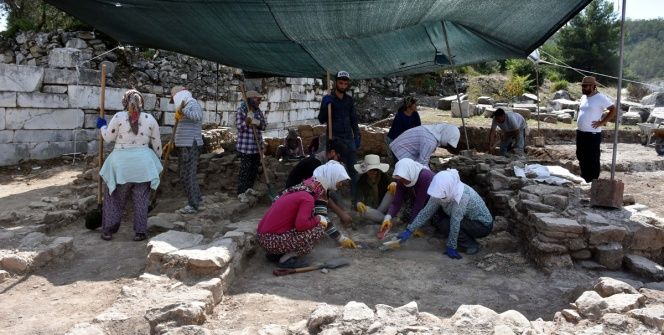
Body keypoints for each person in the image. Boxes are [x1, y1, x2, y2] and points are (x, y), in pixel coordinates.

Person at [257, 161, 355, 268]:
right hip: (271, 240)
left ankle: (275, 254)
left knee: (316, 221)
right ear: (332, 176)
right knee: (319, 227)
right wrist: (339, 237)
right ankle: (285, 259)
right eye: (340, 181)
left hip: (264, 238)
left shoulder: (306, 186)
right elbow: (302, 225)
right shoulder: (309, 197)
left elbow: (277, 201)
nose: (341, 184)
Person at [96, 89, 163, 241]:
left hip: (121, 165)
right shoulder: (150, 119)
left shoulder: (119, 117)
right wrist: (159, 159)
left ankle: (108, 231)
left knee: (115, 198)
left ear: (125, 102)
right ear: (142, 102)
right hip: (144, 166)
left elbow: (107, 138)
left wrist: (102, 126)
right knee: (141, 199)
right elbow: (157, 145)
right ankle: (140, 232)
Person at [396, 169, 493, 259]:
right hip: (467, 221)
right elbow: (426, 212)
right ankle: (465, 239)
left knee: (449, 225)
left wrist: (451, 246)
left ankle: (472, 245)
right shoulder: (441, 189)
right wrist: (410, 229)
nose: (440, 198)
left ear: (448, 188)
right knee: (442, 224)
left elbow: (455, 222)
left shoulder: (462, 196)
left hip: (482, 225)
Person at [284, 139, 353, 227]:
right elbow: (321, 194)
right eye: (339, 158)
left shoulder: (323, 163)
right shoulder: (315, 165)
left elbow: (326, 192)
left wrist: (342, 210)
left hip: (302, 196)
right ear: (332, 152)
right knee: (321, 223)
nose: (339, 163)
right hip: (294, 200)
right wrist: (341, 213)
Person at [318, 70, 361, 202]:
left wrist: (357, 135)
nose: (343, 86)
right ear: (336, 83)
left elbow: (353, 119)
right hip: (335, 140)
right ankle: (335, 201)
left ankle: (356, 199)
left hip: (349, 139)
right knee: (334, 171)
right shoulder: (329, 100)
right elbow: (321, 119)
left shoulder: (349, 100)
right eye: (340, 83)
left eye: (345, 84)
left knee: (353, 169)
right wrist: (325, 106)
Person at [167, 86, 204, 214]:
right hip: (185, 144)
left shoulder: (191, 103)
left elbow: (197, 116)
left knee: (187, 175)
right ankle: (197, 199)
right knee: (186, 174)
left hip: (190, 144)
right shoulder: (186, 104)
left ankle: (193, 205)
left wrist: (183, 110)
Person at [378, 158, 435, 239]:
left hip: (432, 202)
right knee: (406, 217)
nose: (402, 181)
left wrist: (411, 227)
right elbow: (396, 202)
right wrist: (388, 218)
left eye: (403, 179)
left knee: (428, 225)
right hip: (416, 200)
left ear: (410, 173)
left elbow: (419, 204)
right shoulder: (401, 179)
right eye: (400, 179)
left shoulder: (425, 177)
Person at [576, 76, 616, 182]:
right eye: (582, 86)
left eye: (585, 86)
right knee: (580, 155)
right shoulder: (583, 97)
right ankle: (584, 177)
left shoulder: (600, 97)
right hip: (580, 132)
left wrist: (602, 122)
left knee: (592, 157)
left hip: (592, 134)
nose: (583, 88)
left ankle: (593, 180)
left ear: (593, 86)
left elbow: (613, 109)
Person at [236, 90, 267, 201]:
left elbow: (264, 126)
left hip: (256, 146)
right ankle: (241, 192)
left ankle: (249, 188)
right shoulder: (242, 110)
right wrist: (247, 121)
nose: (259, 101)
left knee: (253, 169)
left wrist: (256, 122)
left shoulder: (258, 111)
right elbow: (240, 128)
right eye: (257, 99)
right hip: (246, 146)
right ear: (250, 99)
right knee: (245, 169)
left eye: (260, 99)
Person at [389, 124, 460, 166]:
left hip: (399, 146)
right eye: (448, 143)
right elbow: (422, 163)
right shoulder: (430, 141)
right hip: (400, 150)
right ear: (446, 135)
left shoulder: (430, 131)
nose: (446, 145)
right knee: (407, 175)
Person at [354, 154, 395, 224]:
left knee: (393, 189)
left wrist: (393, 183)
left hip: (383, 206)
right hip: (371, 208)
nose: (373, 172)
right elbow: (358, 194)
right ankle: (385, 220)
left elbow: (394, 191)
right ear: (366, 170)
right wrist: (358, 203)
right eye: (370, 170)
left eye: (375, 170)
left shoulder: (384, 177)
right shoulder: (362, 180)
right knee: (364, 210)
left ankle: (378, 218)